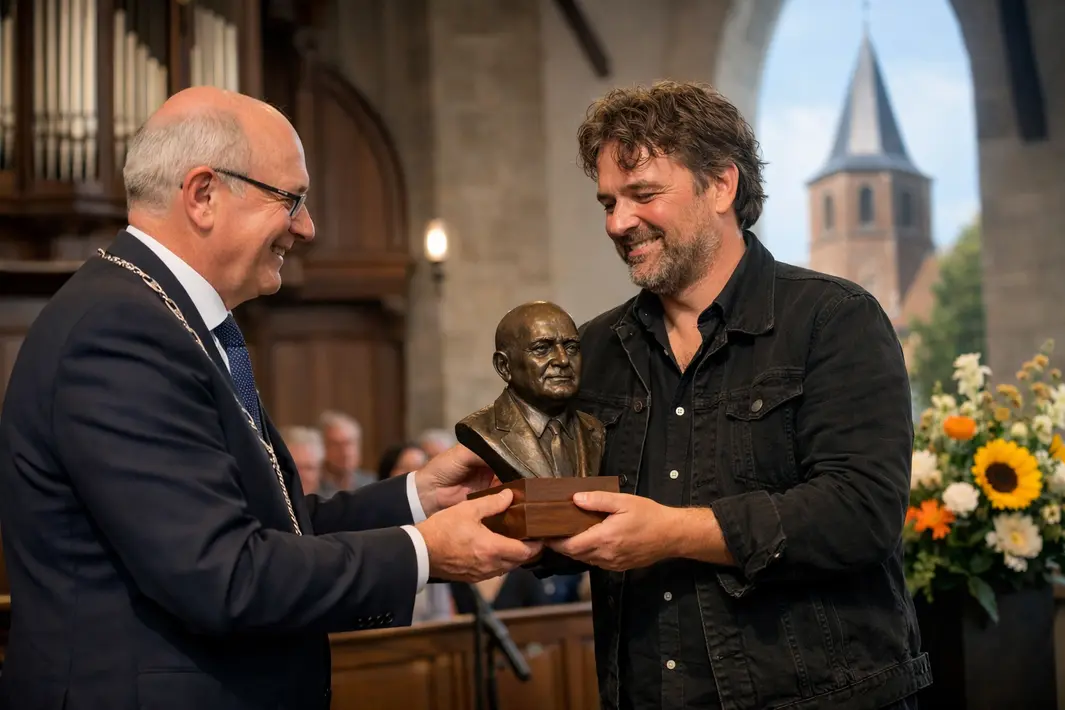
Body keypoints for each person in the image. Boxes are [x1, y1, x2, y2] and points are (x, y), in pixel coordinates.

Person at [0, 86, 541, 710]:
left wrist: (418, 497)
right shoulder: (119, 331)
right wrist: (427, 552)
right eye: (291, 200)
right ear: (203, 195)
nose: (307, 227)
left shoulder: (160, 318)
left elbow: (273, 529)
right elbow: (223, 574)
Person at [544, 81, 929, 709]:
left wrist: (673, 532)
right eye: (608, 202)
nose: (618, 223)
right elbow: (578, 527)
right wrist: (513, 511)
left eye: (643, 195)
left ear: (722, 186)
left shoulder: (834, 319)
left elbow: (860, 513)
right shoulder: (594, 350)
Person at [456, 301, 605, 482]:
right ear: (504, 366)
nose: (563, 360)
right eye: (542, 348)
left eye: (571, 347)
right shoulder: (483, 428)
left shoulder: (595, 431)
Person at [281, 425, 326, 494]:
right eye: (296, 468)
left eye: (309, 468)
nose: (302, 476)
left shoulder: (334, 502)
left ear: (320, 471)